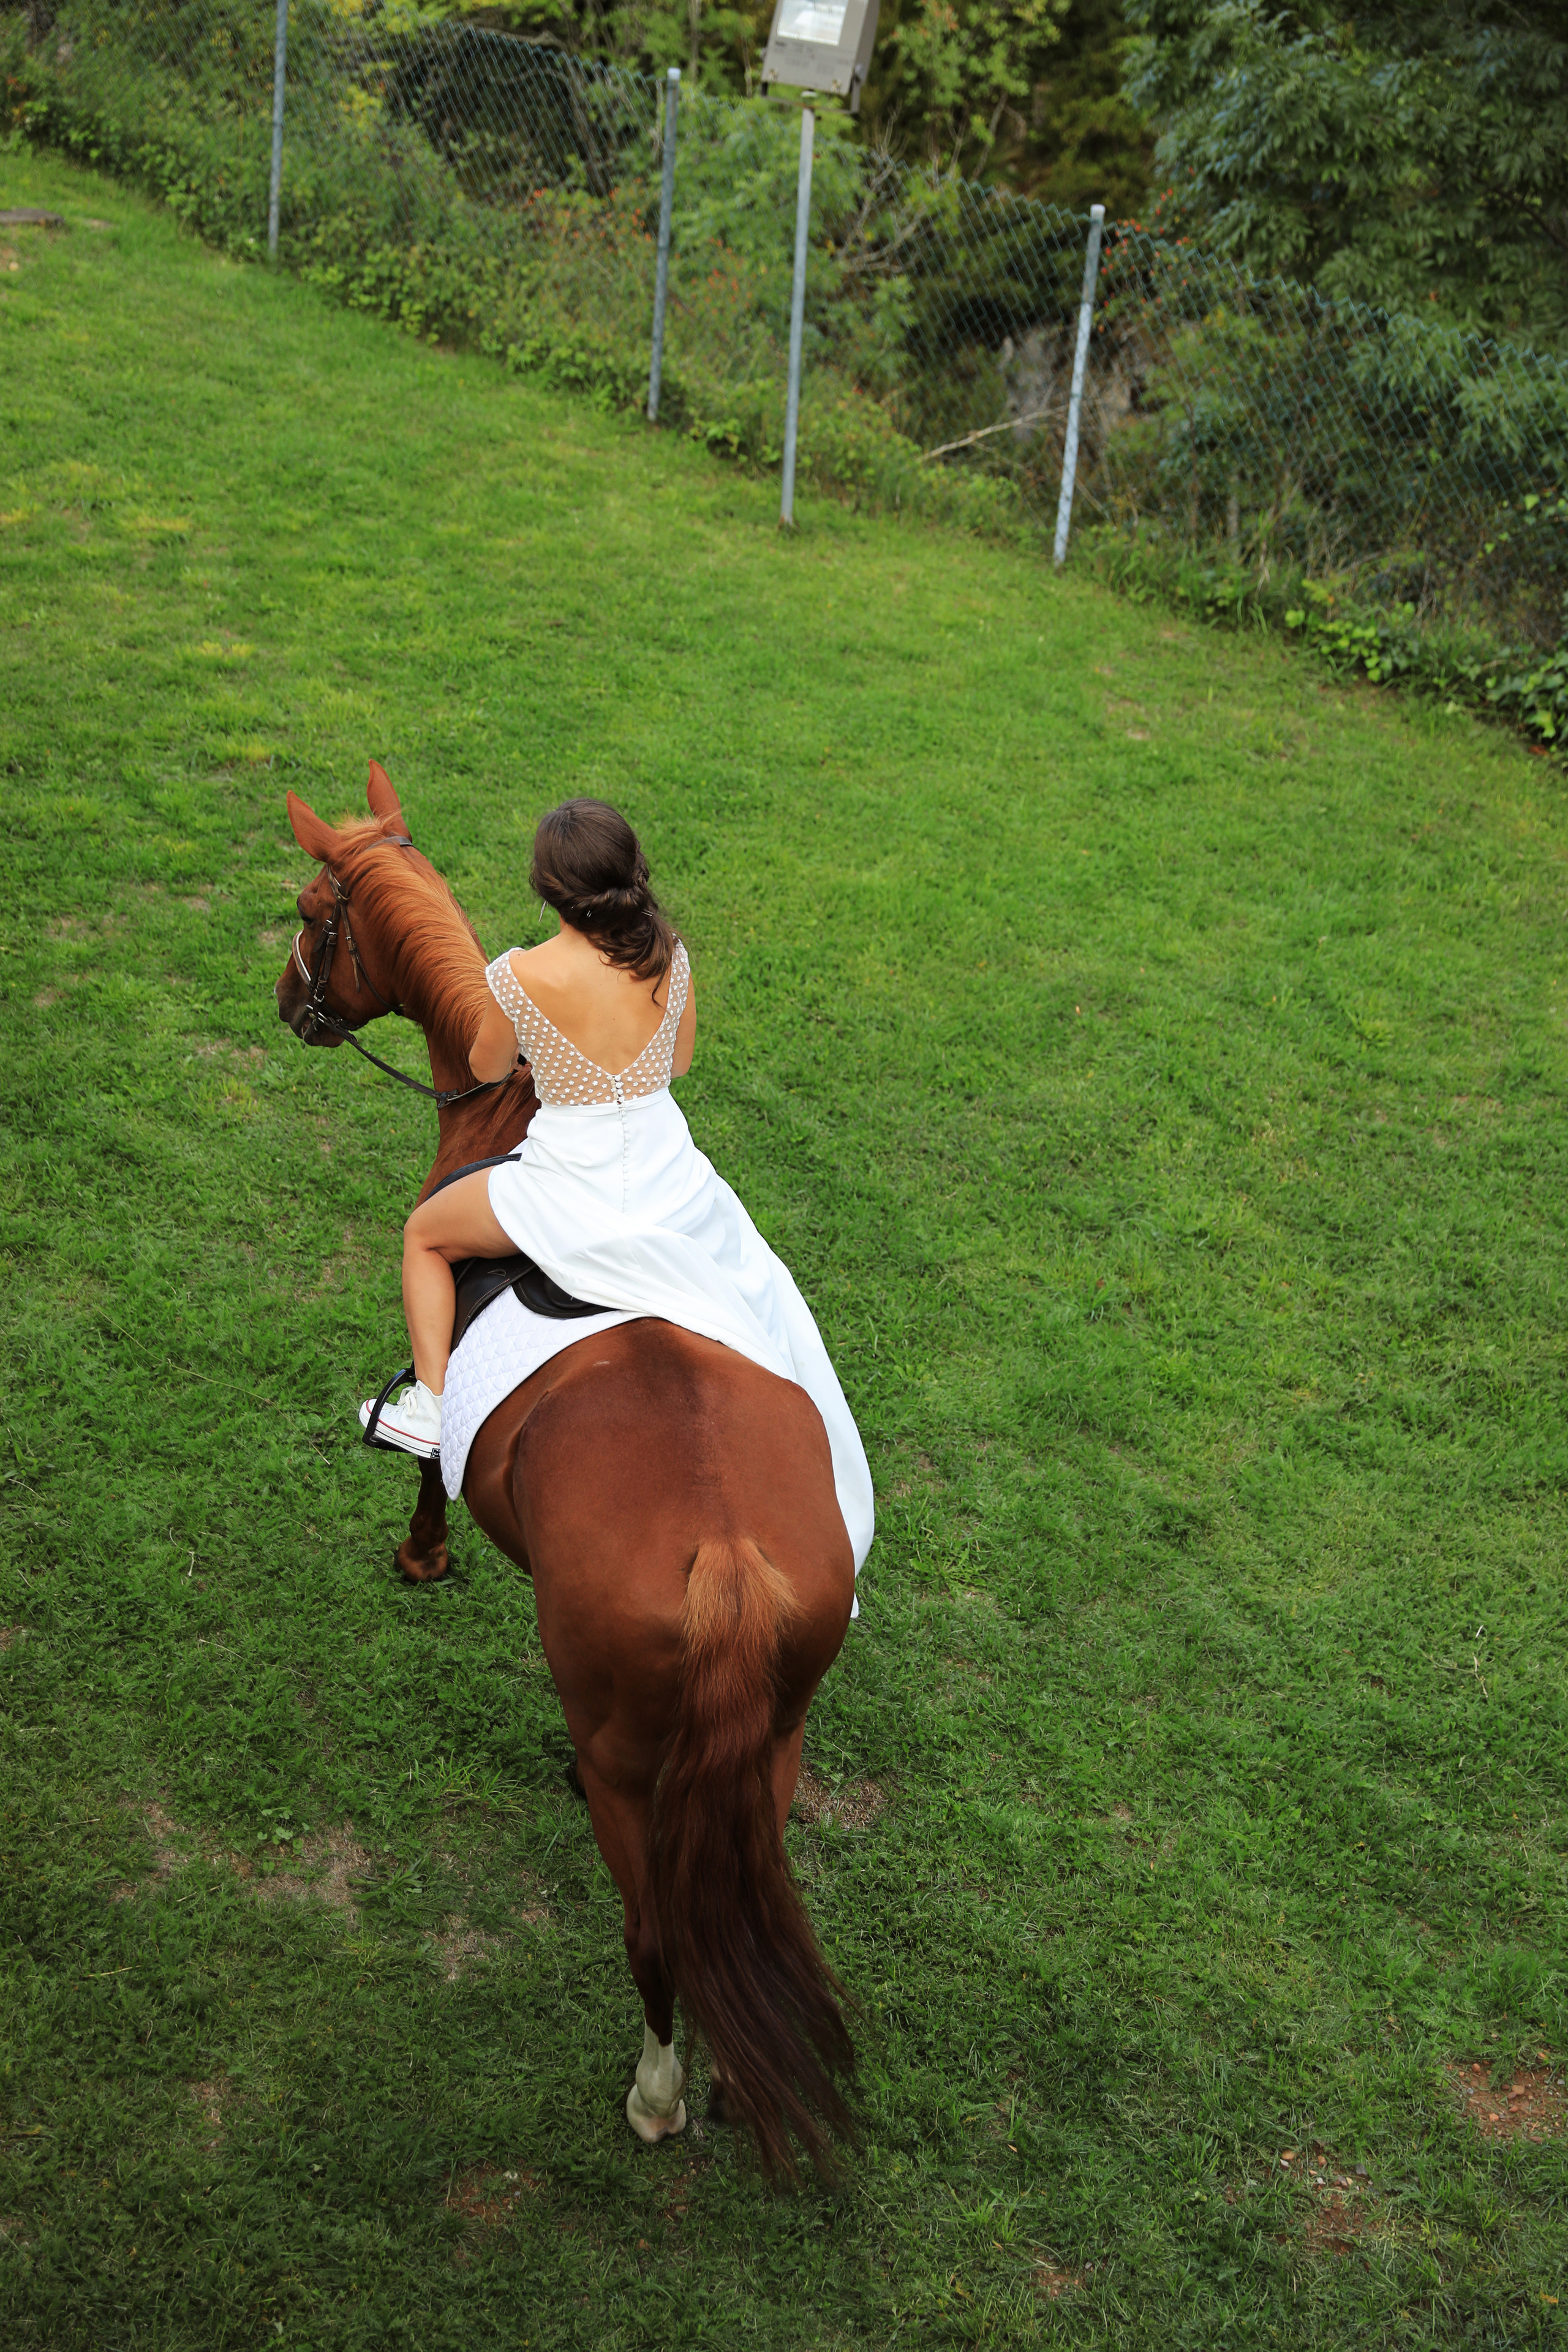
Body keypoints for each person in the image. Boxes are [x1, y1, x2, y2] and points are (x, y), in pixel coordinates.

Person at [359, 798, 873, 1569]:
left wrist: (552, 1058)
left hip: (570, 1182)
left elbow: (488, 1069)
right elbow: (678, 1066)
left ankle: (431, 1408)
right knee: (762, 1282)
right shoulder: (670, 955)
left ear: (547, 889)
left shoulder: (517, 974)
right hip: (670, 1178)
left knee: (425, 1235)